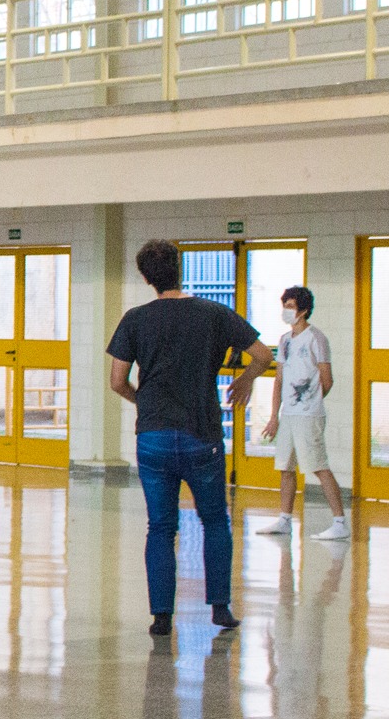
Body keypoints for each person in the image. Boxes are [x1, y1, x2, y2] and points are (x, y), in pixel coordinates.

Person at [107, 239, 272, 637]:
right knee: (214, 520)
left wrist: (143, 401)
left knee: (161, 527)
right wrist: (246, 381)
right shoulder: (213, 313)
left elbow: (117, 381)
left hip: (154, 437)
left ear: (146, 277)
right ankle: (219, 608)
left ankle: (161, 616)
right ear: (180, 269)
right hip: (202, 434)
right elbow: (264, 355)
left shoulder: (135, 319)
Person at [257, 285, 350, 541]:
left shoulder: (316, 339)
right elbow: (279, 379)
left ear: (304, 310)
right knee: (286, 467)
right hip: (288, 416)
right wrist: (275, 415)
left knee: (318, 466)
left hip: (309, 415)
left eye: (290, 307)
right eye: (284, 306)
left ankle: (340, 522)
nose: (286, 311)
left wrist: (309, 402)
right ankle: (285, 519)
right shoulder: (285, 341)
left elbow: (327, 380)